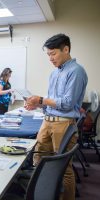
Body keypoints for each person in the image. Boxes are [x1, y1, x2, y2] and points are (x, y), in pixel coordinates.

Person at [25, 33, 88, 200]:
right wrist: (37, 104)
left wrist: (40, 99)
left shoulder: (76, 71)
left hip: (63, 124)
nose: (50, 58)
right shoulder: (55, 73)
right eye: (48, 55)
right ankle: (43, 194)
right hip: (47, 121)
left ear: (66, 49)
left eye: (53, 54)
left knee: (63, 168)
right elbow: (53, 101)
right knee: (38, 159)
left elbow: (67, 103)